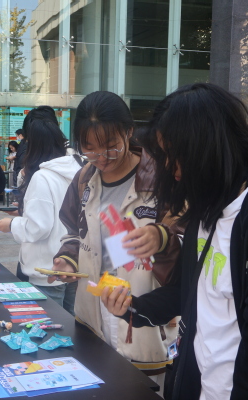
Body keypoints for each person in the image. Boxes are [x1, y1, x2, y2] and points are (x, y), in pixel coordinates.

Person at [102, 83, 248, 400]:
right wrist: (133, 309)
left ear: (208, 148)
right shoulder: (208, 209)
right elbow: (190, 294)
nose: (170, 168)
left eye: (176, 155)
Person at [48, 91, 182, 390]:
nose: (101, 157)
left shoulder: (162, 178)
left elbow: (190, 242)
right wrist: (67, 259)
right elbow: (75, 232)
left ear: (128, 132)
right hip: (92, 310)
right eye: (89, 148)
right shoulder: (84, 179)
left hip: (144, 311)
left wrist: (161, 237)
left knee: (140, 390)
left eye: (111, 146)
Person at [0, 119, 82, 315]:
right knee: (72, 326)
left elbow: (38, 227)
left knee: (49, 327)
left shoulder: (43, 176)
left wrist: (11, 224)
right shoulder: (78, 171)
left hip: (47, 269)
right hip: (72, 264)